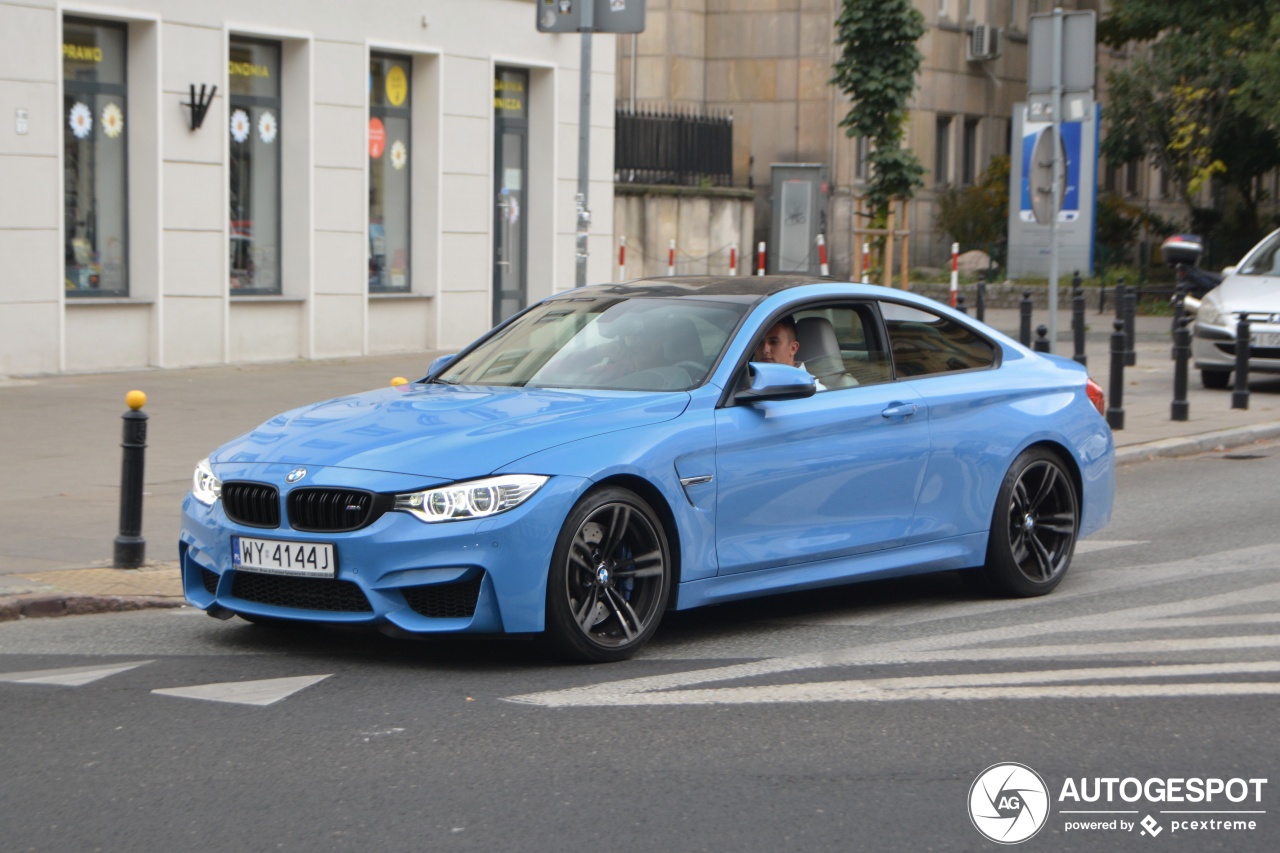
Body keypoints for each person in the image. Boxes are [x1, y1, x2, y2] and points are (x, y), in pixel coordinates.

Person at [754, 317, 825, 390]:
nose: (765, 350)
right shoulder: (748, 383)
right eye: (759, 343)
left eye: (774, 342)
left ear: (793, 348)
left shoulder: (814, 392)